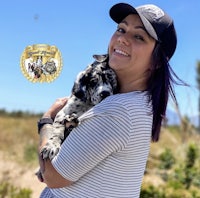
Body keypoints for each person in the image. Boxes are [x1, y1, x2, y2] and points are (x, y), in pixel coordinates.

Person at [37, 2, 183, 198]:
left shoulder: (118, 111)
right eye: (121, 29)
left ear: (157, 60)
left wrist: (47, 120)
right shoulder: (141, 103)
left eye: (139, 36)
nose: (122, 38)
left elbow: (53, 177)